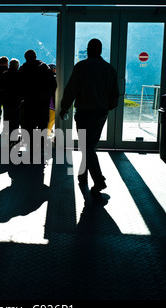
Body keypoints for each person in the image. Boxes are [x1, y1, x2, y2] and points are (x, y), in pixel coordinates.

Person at [60, 39, 119, 198]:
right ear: (100, 50)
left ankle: (99, 180)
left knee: (86, 147)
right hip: (101, 113)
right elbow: (115, 96)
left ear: (88, 50)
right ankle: (82, 174)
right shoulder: (110, 69)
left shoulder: (82, 67)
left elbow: (71, 89)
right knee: (90, 146)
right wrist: (107, 107)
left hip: (85, 112)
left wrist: (64, 107)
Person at [18, 50, 57, 159]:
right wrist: (52, 98)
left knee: (29, 125)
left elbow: (18, 86)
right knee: (42, 125)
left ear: (26, 58)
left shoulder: (23, 69)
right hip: (43, 102)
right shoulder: (45, 68)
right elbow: (53, 85)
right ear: (35, 57)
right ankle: (41, 147)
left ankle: (31, 148)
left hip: (29, 102)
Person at [1, 58, 22, 145]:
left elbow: (0, 88)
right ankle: (14, 138)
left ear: (9, 65)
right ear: (17, 66)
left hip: (7, 100)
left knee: (7, 119)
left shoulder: (4, 75)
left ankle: (8, 138)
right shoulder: (19, 75)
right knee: (15, 120)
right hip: (16, 101)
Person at [47, 63, 57, 137]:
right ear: (53, 69)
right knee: (51, 120)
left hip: (46, 102)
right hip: (52, 103)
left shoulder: (45, 77)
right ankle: (47, 134)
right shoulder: (54, 77)